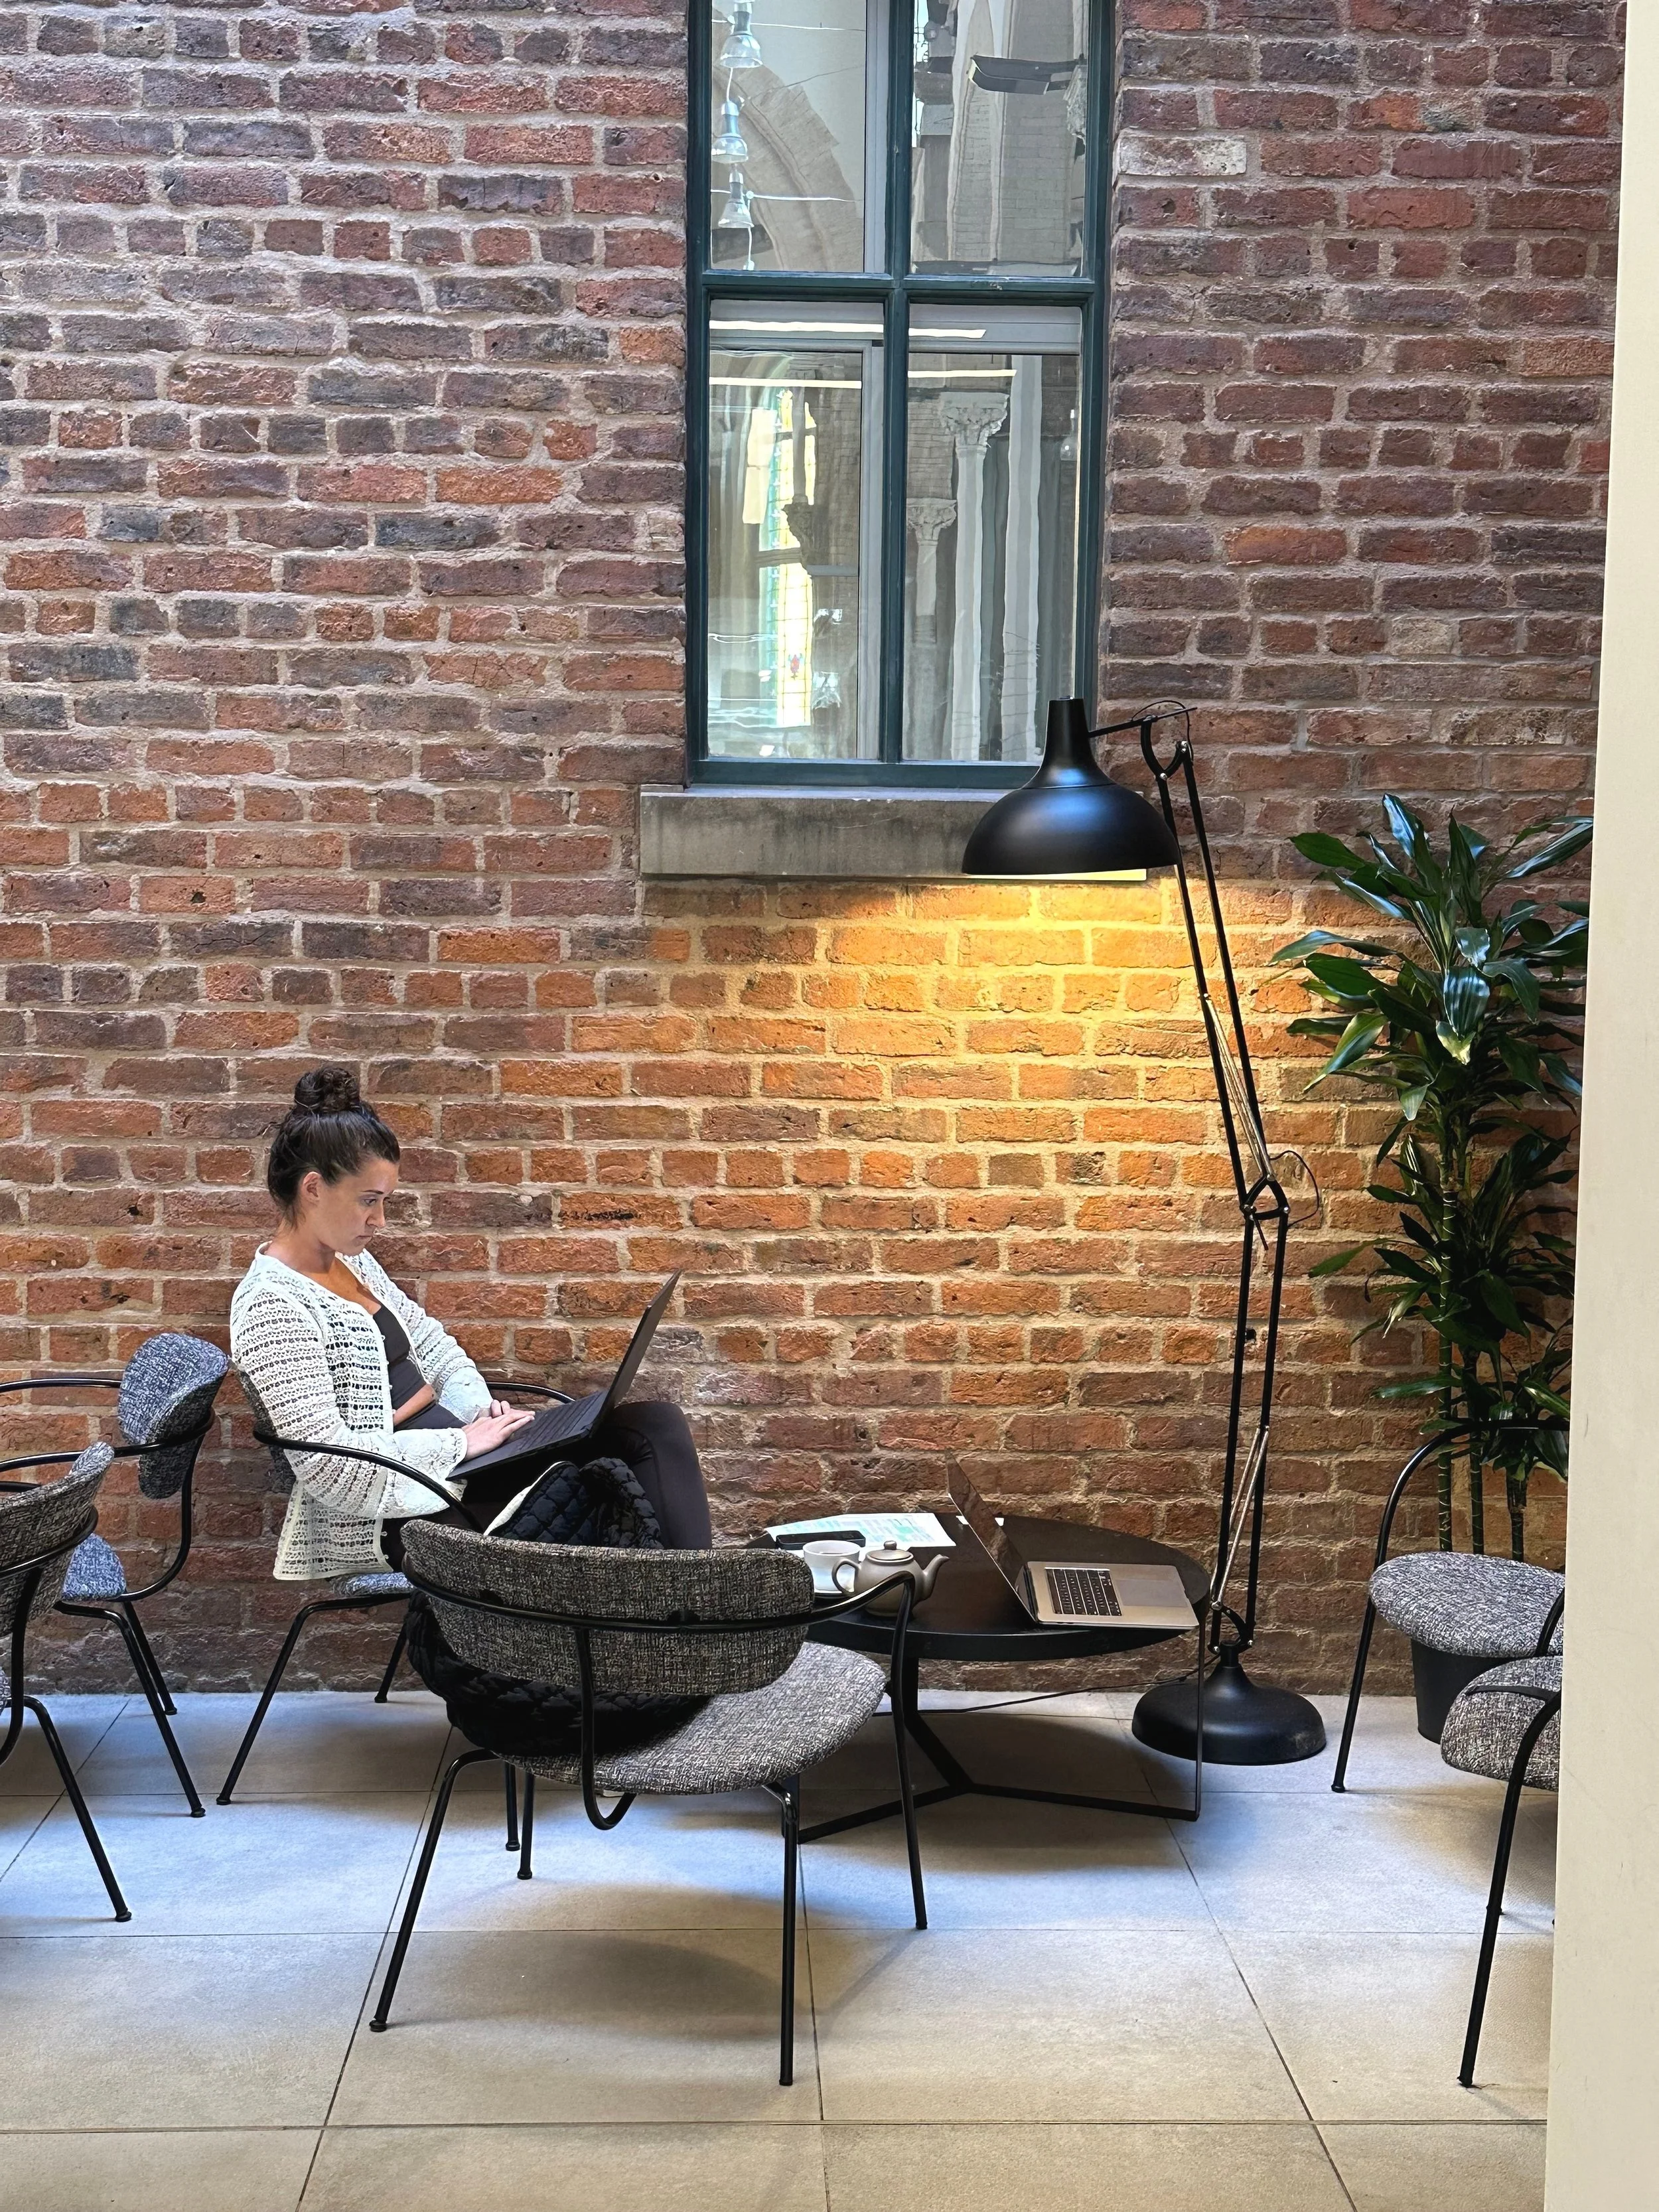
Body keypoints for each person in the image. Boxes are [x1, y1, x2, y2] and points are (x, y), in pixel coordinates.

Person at [231, 1067, 711, 1582]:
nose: (380, 1220)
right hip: (400, 1507)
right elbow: (332, 1468)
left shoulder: (351, 1263)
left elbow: (434, 1346)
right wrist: (463, 1444)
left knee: (653, 1426)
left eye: (384, 1202)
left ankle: (690, 1614)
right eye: (369, 1200)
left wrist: (479, 1410)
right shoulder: (270, 1307)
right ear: (312, 1189)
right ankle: (688, 1623)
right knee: (597, 1490)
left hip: (460, 1460)